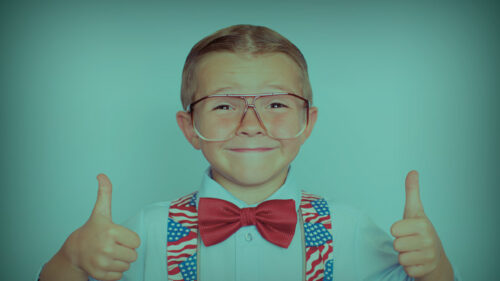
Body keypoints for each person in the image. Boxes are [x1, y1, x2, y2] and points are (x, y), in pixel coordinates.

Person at [38, 24, 461, 281]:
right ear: (190, 128)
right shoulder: (146, 230)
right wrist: (71, 258)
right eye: (225, 105)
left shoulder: (349, 230)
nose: (252, 123)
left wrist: (436, 267)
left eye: (276, 103)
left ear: (308, 123)